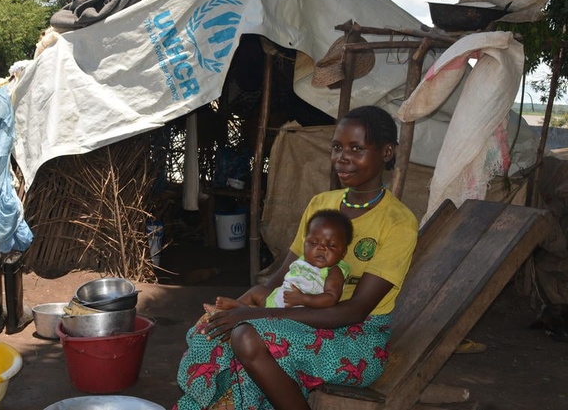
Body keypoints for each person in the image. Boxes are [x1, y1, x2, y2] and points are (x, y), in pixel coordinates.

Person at [174, 105, 419, 410]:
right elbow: (284, 279)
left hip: (355, 338)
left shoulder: (397, 221)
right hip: (296, 316)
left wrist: (254, 315)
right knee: (210, 329)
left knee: (247, 336)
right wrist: (246, 303)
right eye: (337, 147)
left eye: (357, 148)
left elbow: (354, 311)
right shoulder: (321, 205)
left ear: (386, 153)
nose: (342, 157)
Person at [213, 209, 352, 312]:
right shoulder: (302, 260)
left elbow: (331, 297)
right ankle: (230, 309)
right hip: (278, 300)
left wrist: (303, 299)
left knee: (264, 307)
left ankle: (243, 310)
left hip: (301, 311)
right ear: (304, 243)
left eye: (331, 245)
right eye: (314, 243)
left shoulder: (334, 271)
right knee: (257, 290)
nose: (321, 249)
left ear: (343, 252)